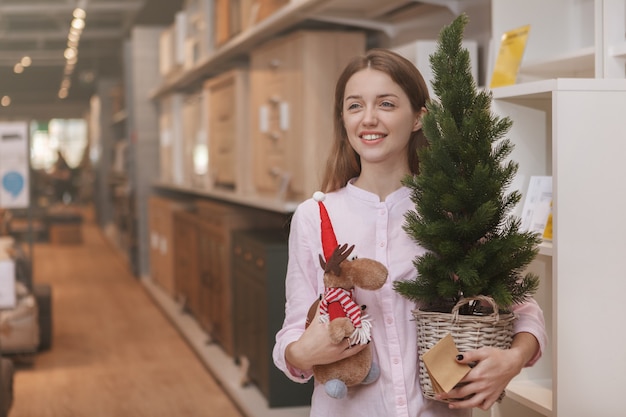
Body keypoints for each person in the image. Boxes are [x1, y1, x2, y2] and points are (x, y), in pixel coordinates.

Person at [272, 48, 547, 417]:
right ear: (343, 118)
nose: (368, 119)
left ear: (419, 117)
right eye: (355, 106)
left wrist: (513, 360)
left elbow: (524, 309)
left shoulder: (453, 212)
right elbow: (291, 333)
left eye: (386, 104)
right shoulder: (314, 216)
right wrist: (301, 353)